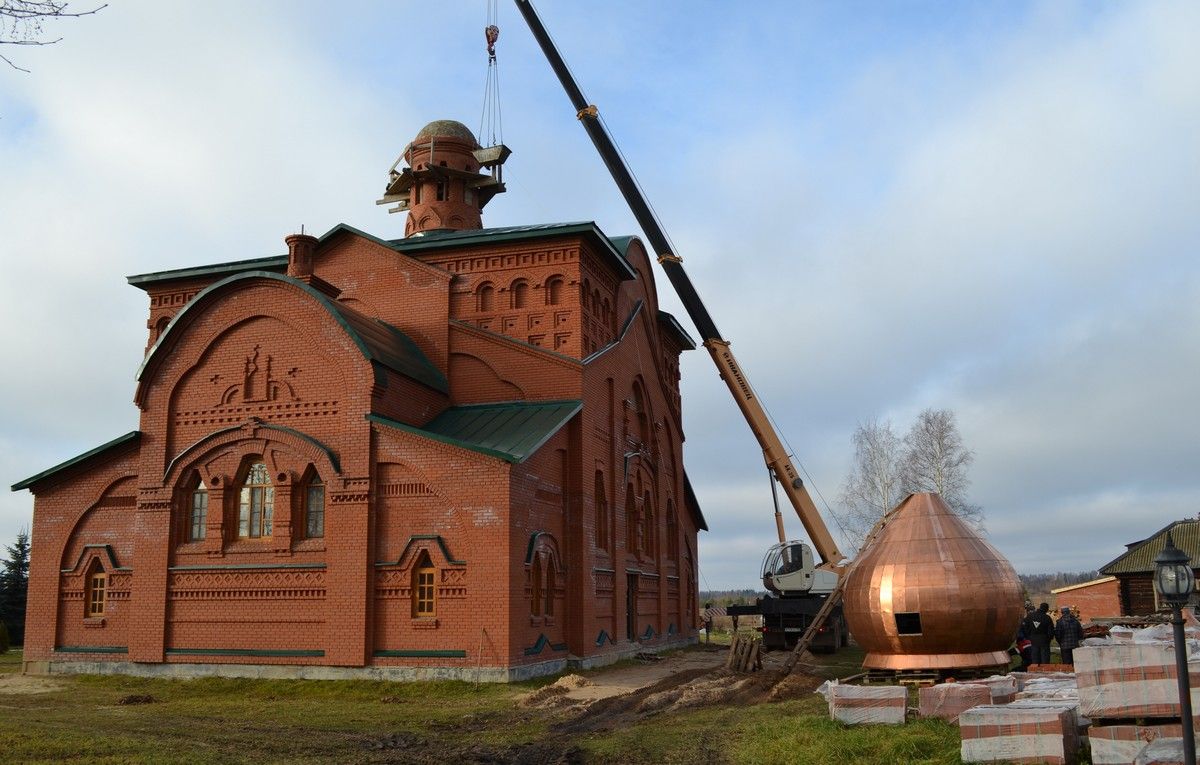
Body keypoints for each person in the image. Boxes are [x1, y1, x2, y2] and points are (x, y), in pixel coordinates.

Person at [1022, 602, 1055, 666]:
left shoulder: (1030, 616)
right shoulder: (1047, 618)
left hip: (1033, 640)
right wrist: (1049, 638)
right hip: (1044, 640)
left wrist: (1029, 636)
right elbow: (1051, 630)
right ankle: (1045, 673)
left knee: (1035, 658)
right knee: (1045, 659)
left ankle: (1035, 671)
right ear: (1046, 609)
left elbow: (1025, 627)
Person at [1015, 603, 1035, 670]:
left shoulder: (1024, 621)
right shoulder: (1024, 621)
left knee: (1028, 657)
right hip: (1026, 642)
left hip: (1026, 642)